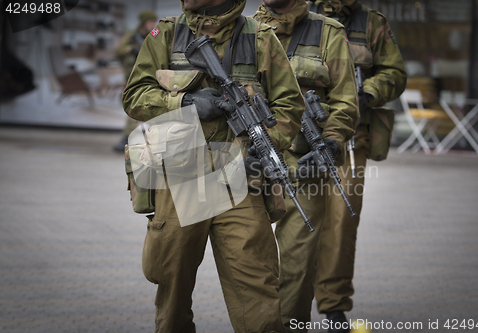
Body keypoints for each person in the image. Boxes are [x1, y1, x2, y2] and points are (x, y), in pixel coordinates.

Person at [122, 0, 306, 332]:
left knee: (259, 292)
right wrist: (185, 102)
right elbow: (135, 95)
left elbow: (290, 105)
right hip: (178, 176)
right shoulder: (165, 32)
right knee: (172, 292)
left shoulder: (260, 37)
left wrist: (266, 147)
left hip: (239, 179)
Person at [253, 1, 358, 331]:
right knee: (249, 263)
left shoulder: (328, 32)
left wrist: (333, 140)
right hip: (250, 160)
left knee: (297, 263)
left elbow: (345, 99)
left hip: (304, 163)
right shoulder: (244, 30)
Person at [307, 0, 407, 331]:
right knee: (294, 219)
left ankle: (333, 305)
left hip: (351, 141)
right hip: (299, 138)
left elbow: (395, 72)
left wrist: (367, 94)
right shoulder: (297, 14)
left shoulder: (370, 22)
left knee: (341, 222)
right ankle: (285, 301)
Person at [113, 10, 157, 152]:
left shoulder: (156, 33)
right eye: (150, 21)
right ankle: (127, 137)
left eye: (153, 21)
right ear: (143, 23)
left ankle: (137, 137)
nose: (153, 24)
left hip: (152, 76)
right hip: (133, 77)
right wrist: (131, 48)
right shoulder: (132, 36)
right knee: (134, 106)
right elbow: (118, 51)